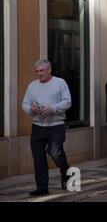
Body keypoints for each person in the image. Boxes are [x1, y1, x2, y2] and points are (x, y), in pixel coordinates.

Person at [22, 59, 72, 196]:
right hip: (38, 126)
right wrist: (30, 109)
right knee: (38, 157)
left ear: (49, 70)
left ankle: (66, 173)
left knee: (55, 153)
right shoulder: (32, 86)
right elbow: (25, 104)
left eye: (42, 70)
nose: (39, 74)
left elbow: (67, 102)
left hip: (56, 125)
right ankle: (42, 187)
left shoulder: (60, 83)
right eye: (37, 71)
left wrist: (52, 108)